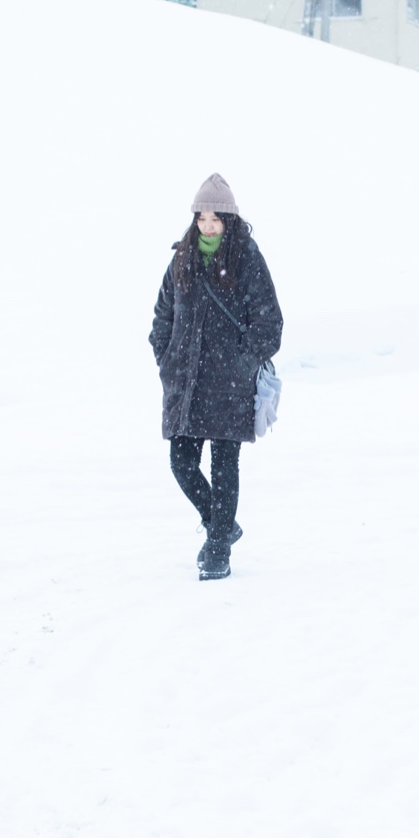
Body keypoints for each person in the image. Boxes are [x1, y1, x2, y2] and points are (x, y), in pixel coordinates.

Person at [149, 173, 283, 580]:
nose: (208, 225)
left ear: (230, 219)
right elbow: (162, 316)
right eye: (202, 217)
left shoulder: (247, 259)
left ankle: (218, 547)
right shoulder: (182, 259)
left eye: (216, 218)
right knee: (181, 461)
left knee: (225, 465)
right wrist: (167, 357)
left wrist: (241, 365)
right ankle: (221, 524)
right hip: (186, 382)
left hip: (228, 385)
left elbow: (269, 324)